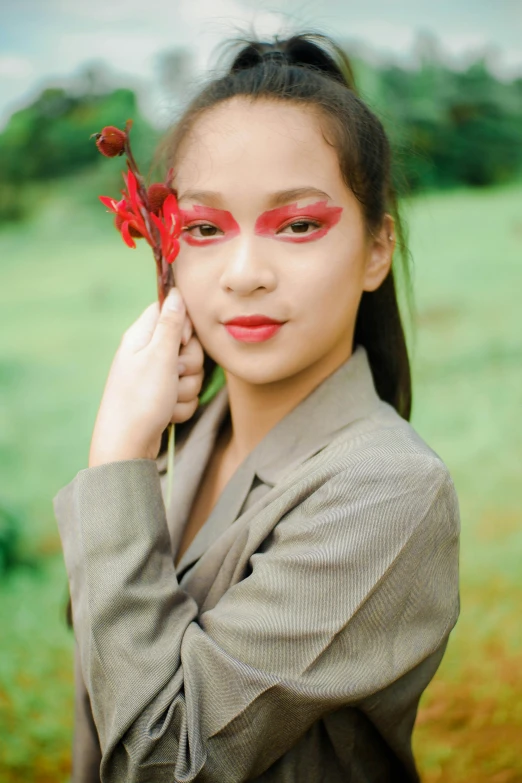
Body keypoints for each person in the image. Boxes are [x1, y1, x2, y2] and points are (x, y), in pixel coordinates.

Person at [54, 33, 460, 783]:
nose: (243, 275)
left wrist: (114, 461)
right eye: (205, 228)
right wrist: (138, 456)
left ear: (377, 247)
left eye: (299, 224)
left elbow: (162, 758)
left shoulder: (386, 490)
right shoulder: (195, 432)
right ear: (167, 242)